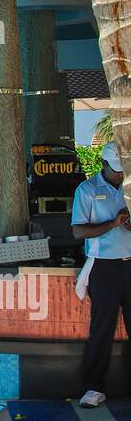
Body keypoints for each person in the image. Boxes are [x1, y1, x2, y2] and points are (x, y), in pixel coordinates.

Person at [71, 142, 131, 407]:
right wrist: (113, 224)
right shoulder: (87, 190)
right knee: (102, 328)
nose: (120, 174)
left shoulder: (130, 187)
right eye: (116, 170)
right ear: (103, 165)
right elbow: (79, 232)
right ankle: (94, 387)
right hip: (104, 266)